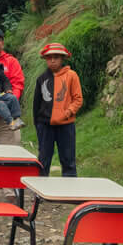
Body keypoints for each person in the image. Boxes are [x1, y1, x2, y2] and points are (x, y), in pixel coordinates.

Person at [33, 43, 82, 177]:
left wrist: (68, 112)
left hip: (66, 125)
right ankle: (40, 194)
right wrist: (37, 125)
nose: (52, 60)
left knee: (68, 160)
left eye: (56, 57)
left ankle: (69, 194)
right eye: (49, 58)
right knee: (43, 160)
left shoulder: (72, 75)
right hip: (45, 125)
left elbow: (78, 99)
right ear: (45, 59)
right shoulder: (41, 79)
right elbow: (36, 105)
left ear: (62, 59)